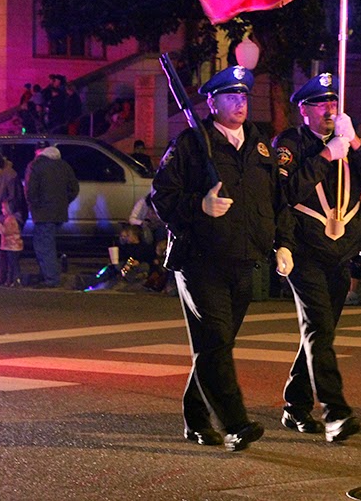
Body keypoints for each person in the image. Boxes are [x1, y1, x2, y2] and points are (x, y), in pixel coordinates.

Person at [150, 65, 295, 452]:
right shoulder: (191, 145)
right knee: (214, 341)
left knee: (216, 348)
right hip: (200, 260)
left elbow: (276, 202)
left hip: (245, 261)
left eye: (244, 96)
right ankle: (235, 424)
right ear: (211, 102)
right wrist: (200, 205)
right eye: (231, 96)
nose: (240, 103)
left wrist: (283, 243)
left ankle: (197, 419)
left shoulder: (260, 145)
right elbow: (161, 198)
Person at [272, 73, 361, 442]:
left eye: (333, 103)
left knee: (319, 333)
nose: (328, 110)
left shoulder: (351, 141)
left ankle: (295, 403)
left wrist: (353, 143)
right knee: (319, 329)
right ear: (303, 110)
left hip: (340, 253)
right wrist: (325, 156)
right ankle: (335, 410)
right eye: (320, 104)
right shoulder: (290, 144)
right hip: (305, 252)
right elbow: (287, 191)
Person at [24, 144, 79, 288]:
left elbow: (30, 190)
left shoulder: (36, 165)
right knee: (47, 244)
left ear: (39, 152)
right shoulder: (64, 165)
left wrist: (35, 206)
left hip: (43, 213)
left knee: (44, 246)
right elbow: (74, 188)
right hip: (59, 213)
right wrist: (64, 202)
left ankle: (51, 278)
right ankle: (47, 275)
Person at [0, 199, 24, 287]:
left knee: (14, 264)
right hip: (12, 246)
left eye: (3, 208)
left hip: (12, 246)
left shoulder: (10, 219)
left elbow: (5, 231)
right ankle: (10, 281)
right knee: (11, 264)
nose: (2, 210)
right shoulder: (10, 219)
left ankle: (17, 280)